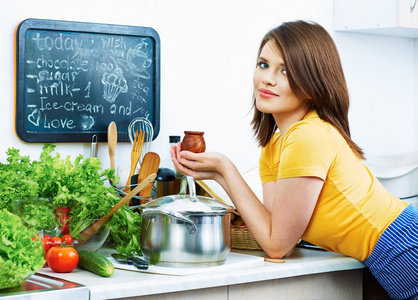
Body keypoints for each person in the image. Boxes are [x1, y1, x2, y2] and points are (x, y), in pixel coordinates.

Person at [171, 20, 418, 300]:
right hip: (393, 259)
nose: (267, 79)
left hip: (406, 249)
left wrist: (226, 170)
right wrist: (219, 174)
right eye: (263, 64)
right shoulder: (274, 147)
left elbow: (277, 245)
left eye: (285, 70)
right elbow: (278, 238)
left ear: (313, 84)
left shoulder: (308, 136)